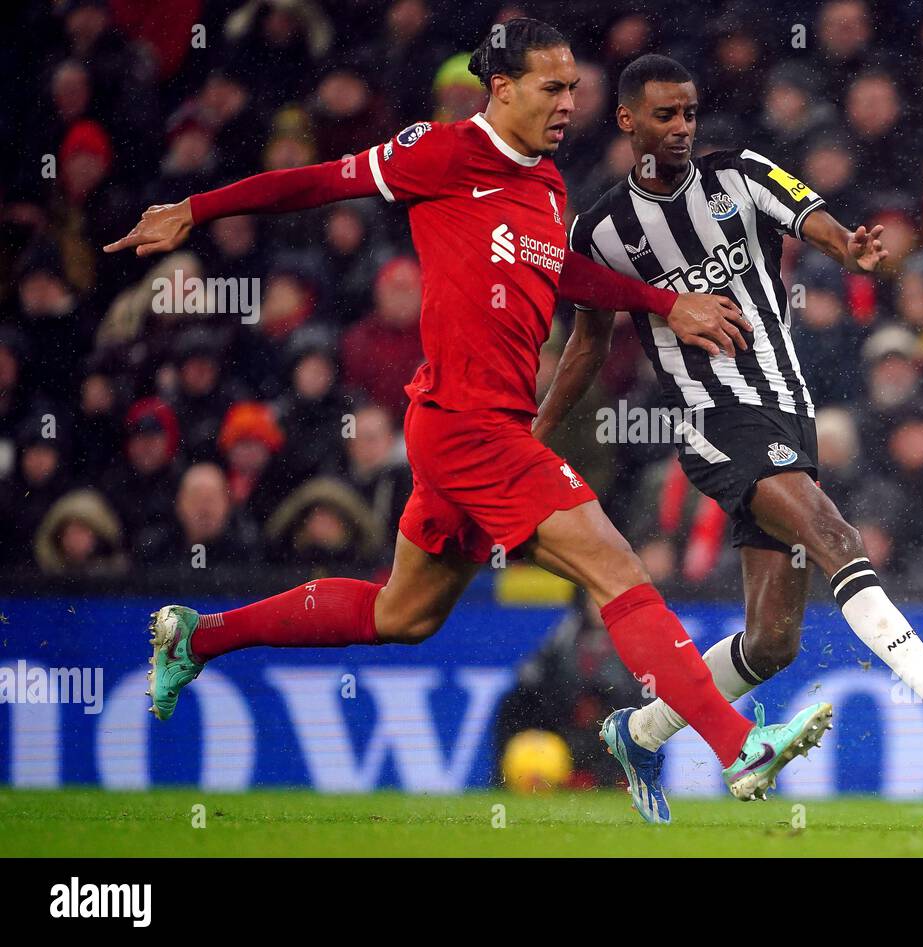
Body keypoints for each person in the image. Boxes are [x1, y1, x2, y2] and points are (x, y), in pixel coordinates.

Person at [102, 19, 831, 810]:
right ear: (503, 88)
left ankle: (197, 635)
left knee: (402, 613)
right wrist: (196, 209)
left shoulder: (548, 185)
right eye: (552, 90)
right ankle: (737, 745)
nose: (567, 105)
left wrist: (663, 303)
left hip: (478, 428)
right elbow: (318, 181)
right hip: (464, 424)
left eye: (574, 91)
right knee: (616, 567)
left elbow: (568, 275)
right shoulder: (440, 154)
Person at [540, 54, 923, 825]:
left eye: (690, 113)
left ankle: (637, 732)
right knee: (837, 532)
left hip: (787, 411)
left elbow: (817, 222)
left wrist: (849, 248)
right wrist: (537, 433)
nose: (682, 128)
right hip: (714, 420)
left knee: (772, 642)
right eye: (665, 115)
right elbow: (588, 344)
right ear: (628, 121)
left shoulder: (739, 175)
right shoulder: (600, 229)